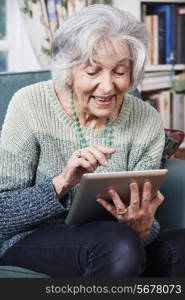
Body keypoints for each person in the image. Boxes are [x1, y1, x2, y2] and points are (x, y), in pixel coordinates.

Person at [0, 4, 185, 278]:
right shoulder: (29, 104)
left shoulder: (147, 120)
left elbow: (143, 226)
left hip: (118, 241)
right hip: (32, 239)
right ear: (69, 70)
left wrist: (144, 227)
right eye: (92, 72)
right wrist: (61, 183)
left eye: (120, 72)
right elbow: (3, 216)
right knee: (117, 244)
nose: (108, 86)